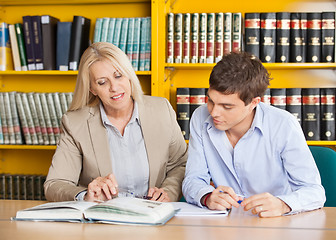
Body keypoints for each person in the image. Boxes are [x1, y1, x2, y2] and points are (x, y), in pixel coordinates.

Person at [182, 52, 325, 217]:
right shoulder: (200, 117)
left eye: (227, 107)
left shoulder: (283, 124)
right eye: (210, 101)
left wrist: (283, 204)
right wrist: (207, 197)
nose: (214, 112)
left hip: (275, 224)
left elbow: (314, 192)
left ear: (254, 103)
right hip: (225, 225)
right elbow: (193, 179)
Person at [44, 42, 187, 203]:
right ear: (92, 89)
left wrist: (167, 192)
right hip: (102, 220)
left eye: (118, 75)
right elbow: (55, 184)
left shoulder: (161, 110)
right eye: (102, 82)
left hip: (153, 216)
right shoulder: (75, 123)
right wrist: (85, 195)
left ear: (129, 75)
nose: (114, 87)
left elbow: (180, 164)